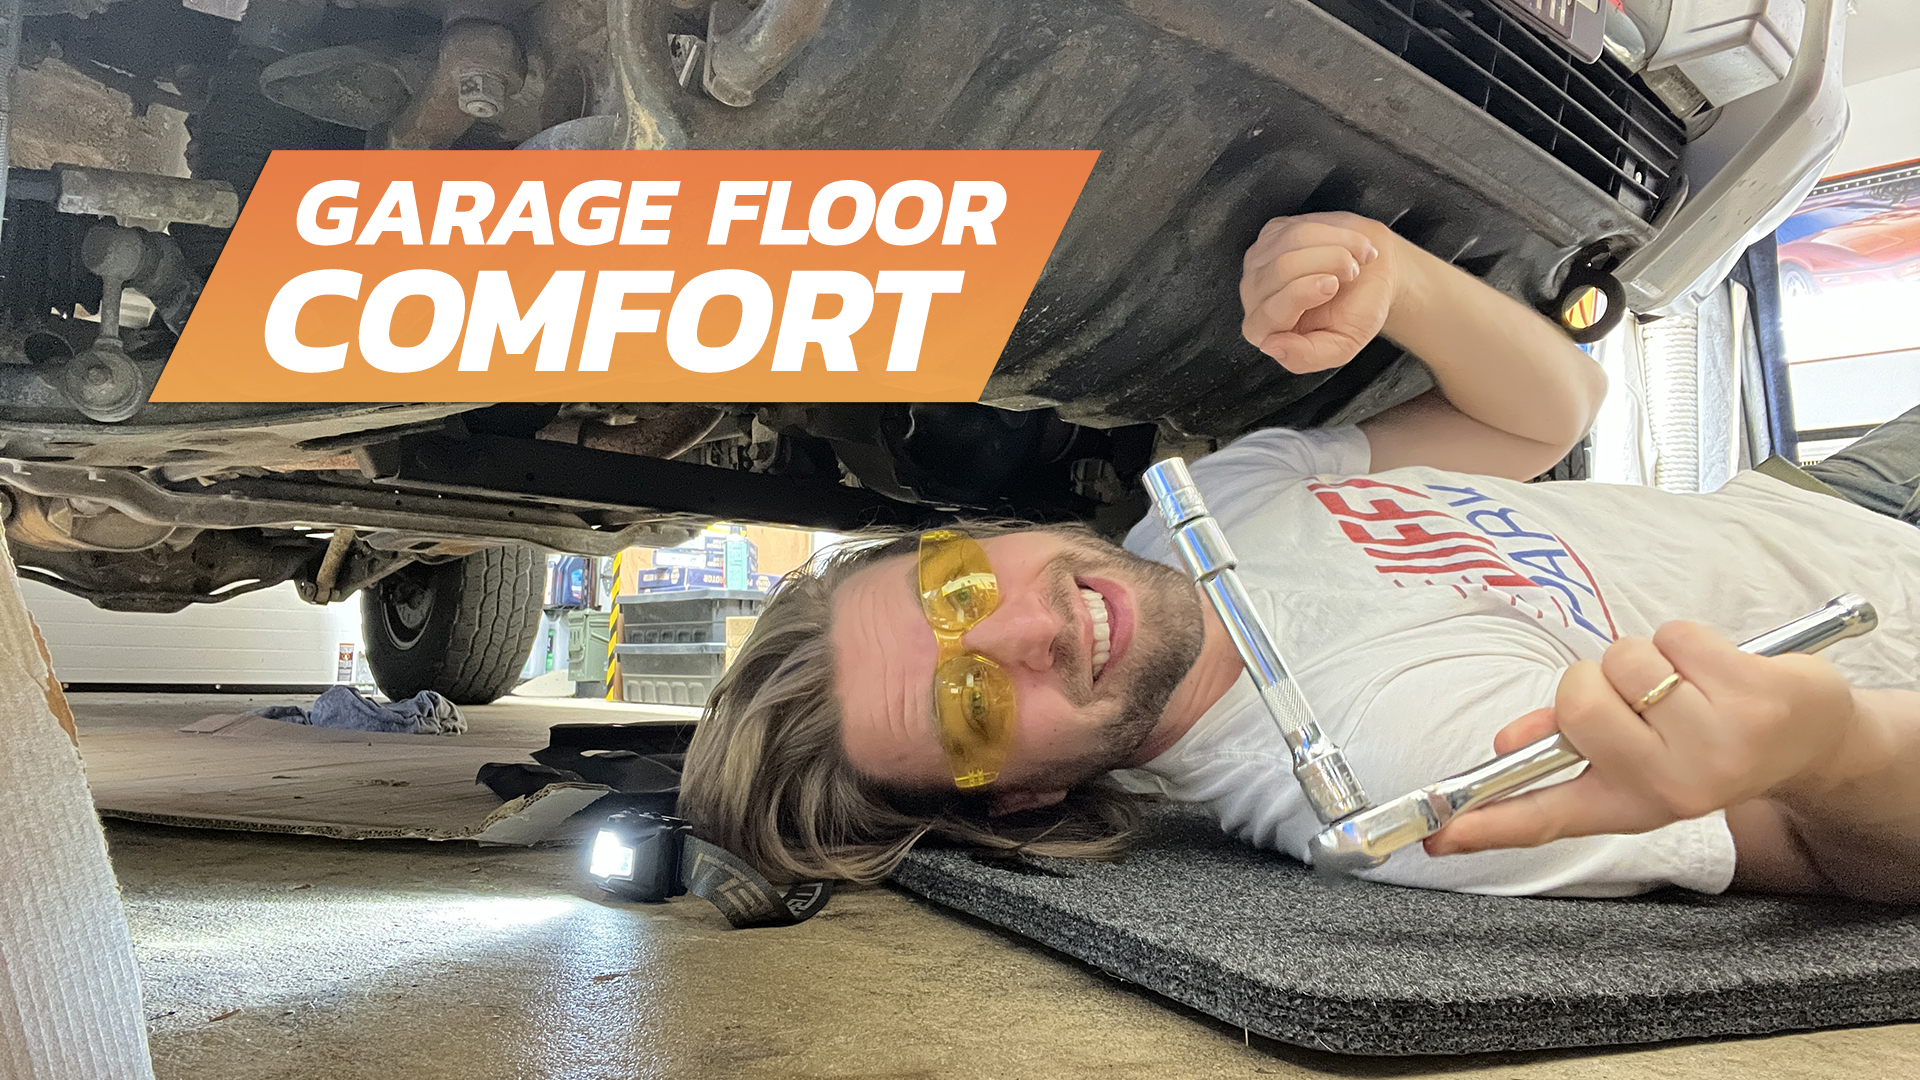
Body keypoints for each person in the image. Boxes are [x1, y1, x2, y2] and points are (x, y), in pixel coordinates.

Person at [680, 211, 1920, 902]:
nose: (1025, 630)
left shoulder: (1198, 512)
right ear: (1019, 798)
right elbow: (1824, 848)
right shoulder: (1400, 773)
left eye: (957, 589)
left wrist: (1397, 282)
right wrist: (1831, 751)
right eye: (970, 701)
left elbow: (1543, 416)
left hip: (1828, 491)